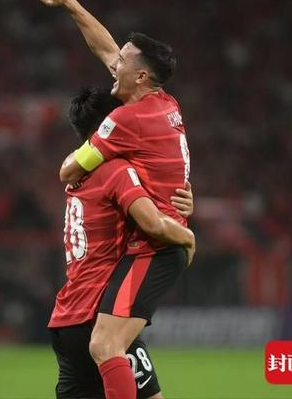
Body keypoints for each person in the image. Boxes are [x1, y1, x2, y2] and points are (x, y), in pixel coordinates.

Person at [41, 0, 192, 399]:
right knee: (120, 361)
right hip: (153, 241)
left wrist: (184, 234)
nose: (113, 64)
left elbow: (68, 170)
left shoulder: (123, 127)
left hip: (154, 244)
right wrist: (71, 4)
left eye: (122, 62)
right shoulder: (167, 104)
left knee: (105, 346)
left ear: (140, 76)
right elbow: (105, 47)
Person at [49, 87, 195, 399]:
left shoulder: (77, 174)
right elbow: (152, 223)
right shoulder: (115, 170)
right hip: (100, 313)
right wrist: (187, 235)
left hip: (66, 318)